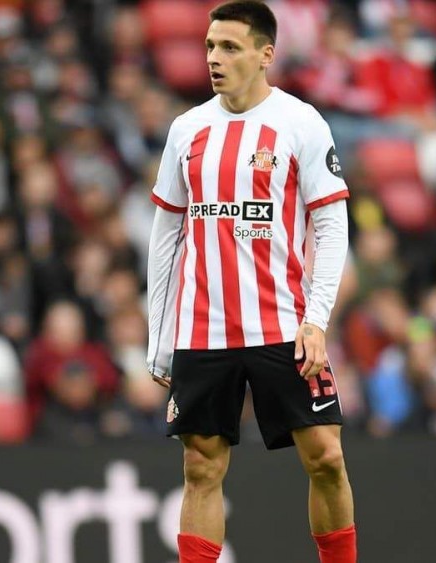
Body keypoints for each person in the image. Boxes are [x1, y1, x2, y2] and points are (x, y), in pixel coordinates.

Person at [144, 2, 355, 562]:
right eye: (210, 46)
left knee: (326, 457)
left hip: (283, 325)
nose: (214, 58)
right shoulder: (186, 130)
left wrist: (316, 320)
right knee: (200, 466)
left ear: (265, 55)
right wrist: (159, 336)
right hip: (202, 329)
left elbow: (332, 227)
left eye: (230, 47)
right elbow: (165, 238)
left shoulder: (301, 123)